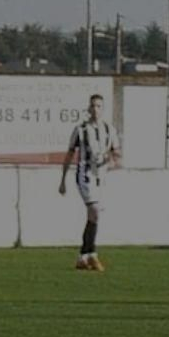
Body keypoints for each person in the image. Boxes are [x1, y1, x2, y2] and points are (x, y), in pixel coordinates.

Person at [58, 94, 120, 271]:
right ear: (88, 109)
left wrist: (110, 159)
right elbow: (70, 154)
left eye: (99, 106)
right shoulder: (81, 130)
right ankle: (92, 255)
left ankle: (82, 257)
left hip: (101, 177)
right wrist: (62, 180)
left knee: (94, 216)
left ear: (103, 109)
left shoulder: (109, 130)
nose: (95, 109)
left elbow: (117, 154)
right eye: (93, 106)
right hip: (84, 176)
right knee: (94, 211)